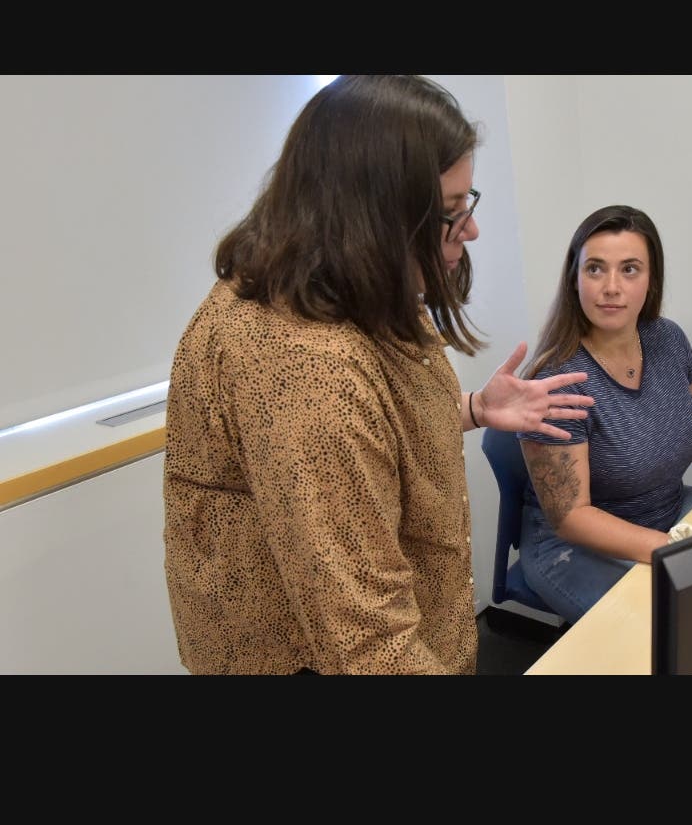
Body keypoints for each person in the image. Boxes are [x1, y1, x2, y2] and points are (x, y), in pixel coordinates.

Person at [162, 75, 593, 675]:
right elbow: (367, 644)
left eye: (467, 204)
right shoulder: (304, 370)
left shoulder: (342, 286)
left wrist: (472, 408)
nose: (469, 230)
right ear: (371, 216)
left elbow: (372, 427)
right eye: (449, 213)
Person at [516, 205, 692, 623]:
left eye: (629, 269)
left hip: (670, 517)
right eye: (594, 269)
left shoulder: (667, 339)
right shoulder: (557, 379)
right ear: (574, 280)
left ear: (651, 279)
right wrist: (667, 549)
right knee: (678, 631)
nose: (611, 287)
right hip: (575, 550)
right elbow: (572, 517)